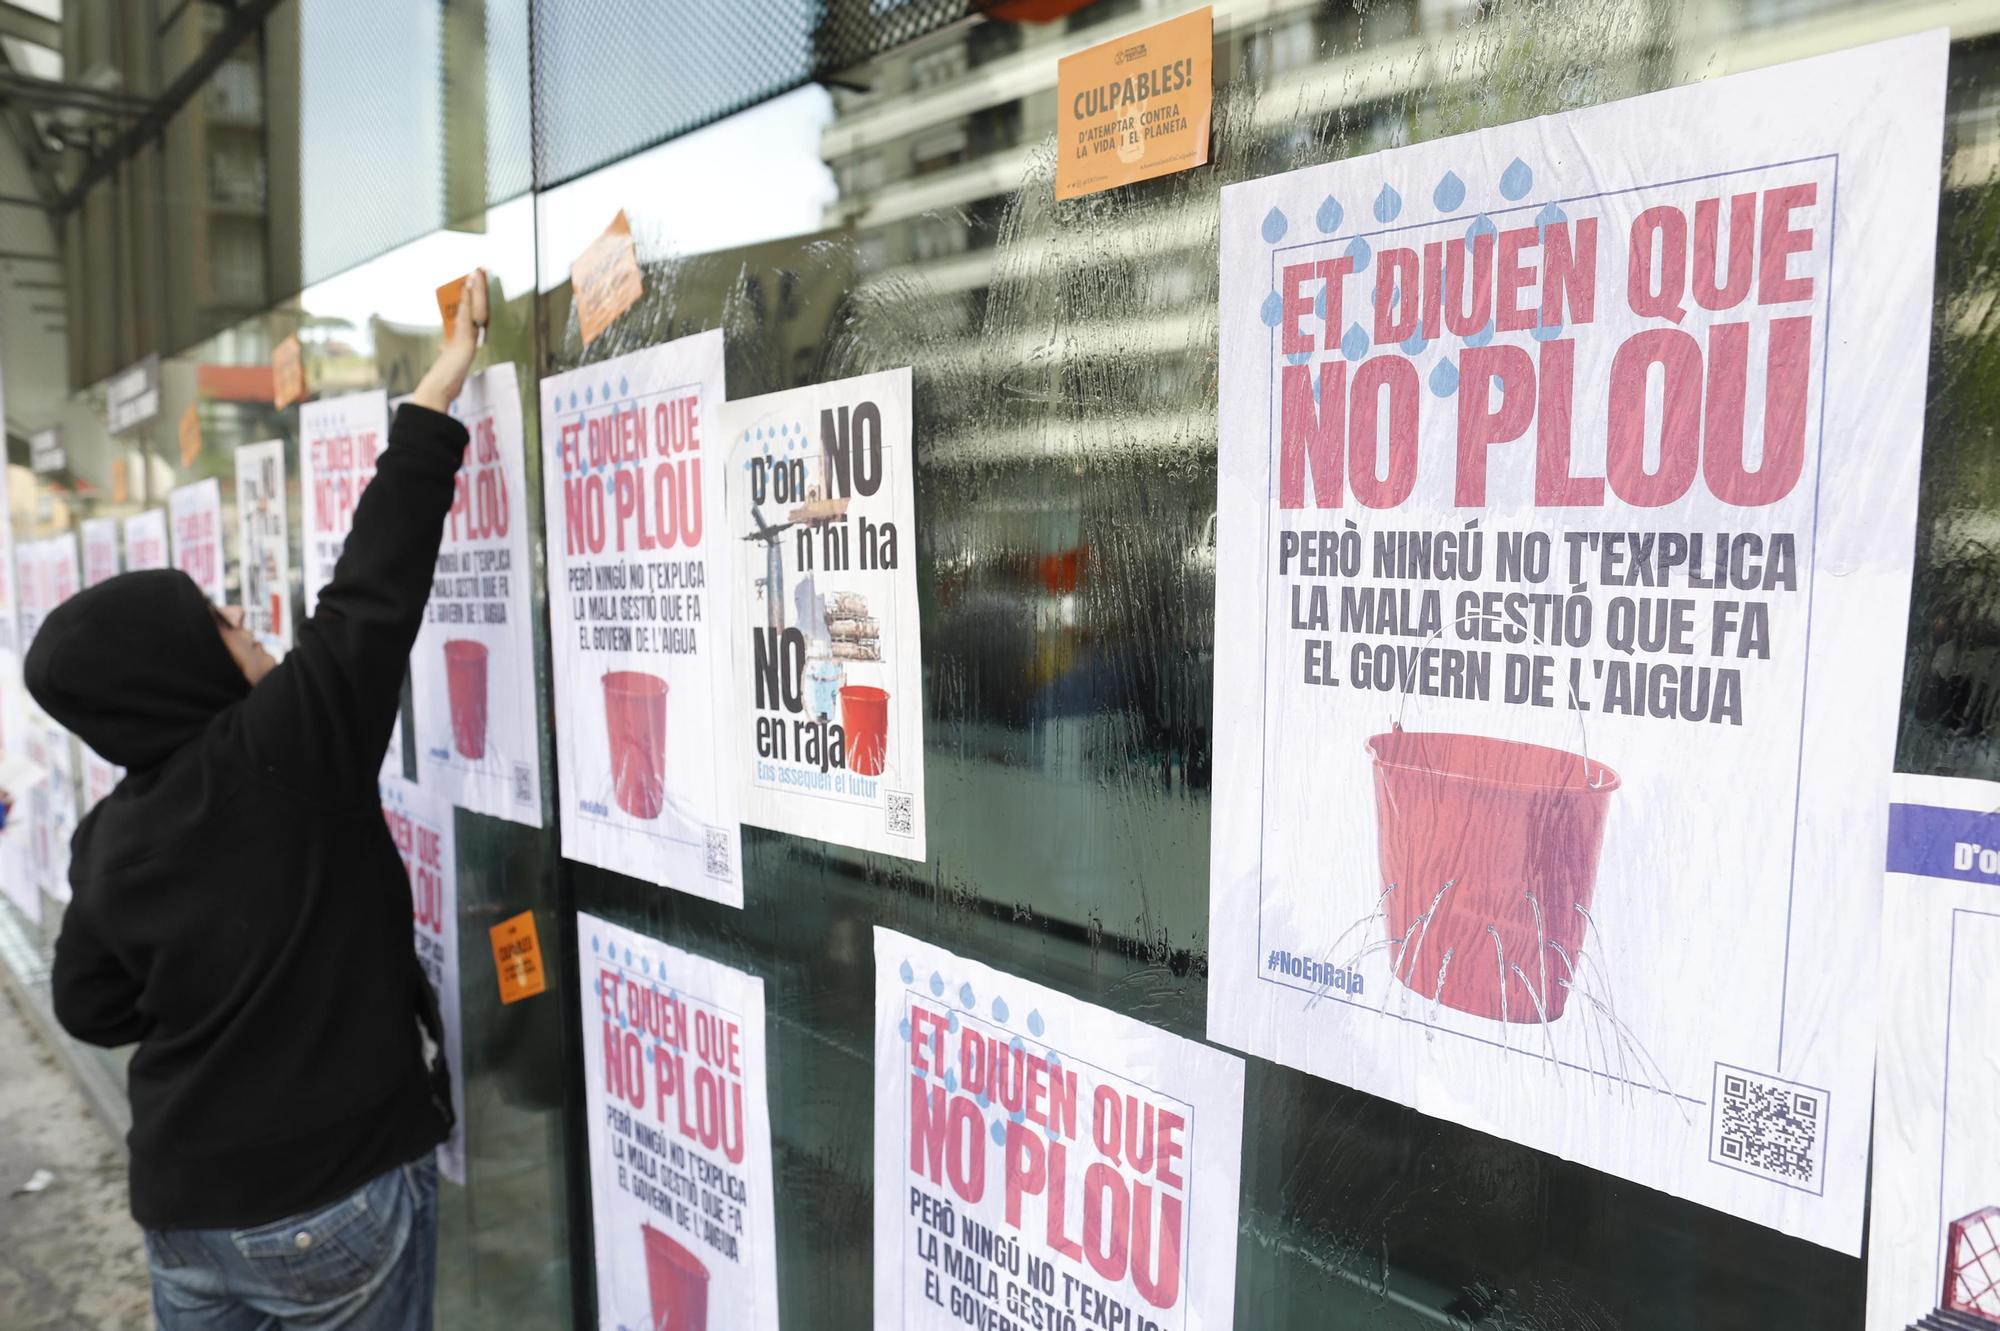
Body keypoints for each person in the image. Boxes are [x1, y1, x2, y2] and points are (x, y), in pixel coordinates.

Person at [24, 271, 491, 1331]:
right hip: (328, 1202)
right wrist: (435, 395)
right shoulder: (284, 748)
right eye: (217, 618)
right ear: (176, 666)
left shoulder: (111, 838)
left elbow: (90, 1004)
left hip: (185, 1214)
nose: (244, 619)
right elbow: (374, 588)